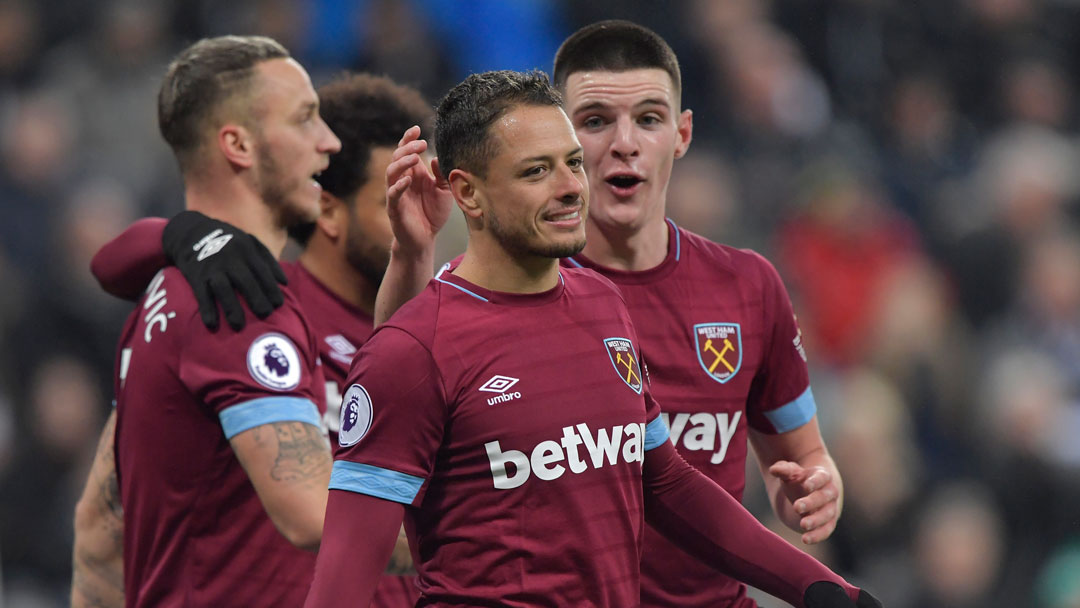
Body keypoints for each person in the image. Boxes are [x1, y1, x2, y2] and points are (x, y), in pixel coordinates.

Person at [303, 69, 879, 608]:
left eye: (573, 163)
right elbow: (342, 583)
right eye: (535, 171)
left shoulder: (604, 305)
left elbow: (668, 483)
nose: (571, 187)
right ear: (468, 194)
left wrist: (822, 589)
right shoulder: (414, 348)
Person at [79, 72, 446, 607]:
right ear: (328, 211)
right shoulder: (249, 303)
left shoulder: (440, 330)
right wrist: (178, 232)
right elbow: (105, 515)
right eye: (391, 201)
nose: (414, 219)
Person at [551, 21, 846, 607]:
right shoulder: (518, 290)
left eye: (650, 119)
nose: (625, 142)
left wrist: (814, 490)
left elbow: (804, 459)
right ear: (556, 139)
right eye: (595, 121)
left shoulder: (748, 286)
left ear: (682, 134)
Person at [70, 35, 341, 607]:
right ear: (238, 144)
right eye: (305, 119)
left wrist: (176, 232)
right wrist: (491, 510)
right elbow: (317, 515)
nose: (329, 142)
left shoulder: (166, 291)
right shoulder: (237, 302)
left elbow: (99, 528)